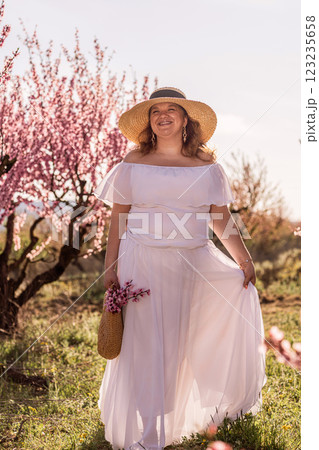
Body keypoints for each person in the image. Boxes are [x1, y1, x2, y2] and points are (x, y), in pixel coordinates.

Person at [93, 87, 267, 450]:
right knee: (144, 343)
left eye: (173, 110)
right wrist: (110, 267)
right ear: (149, 121)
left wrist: (244, 261)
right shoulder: (133, 161)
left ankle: (171, 417)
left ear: (186, 119)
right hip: (140, 261)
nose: (164, 115)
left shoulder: (206, 165)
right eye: (157, 111)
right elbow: (117, 220)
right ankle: (149, 430)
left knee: (176, 343)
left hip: (192, 264)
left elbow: (219, 218)